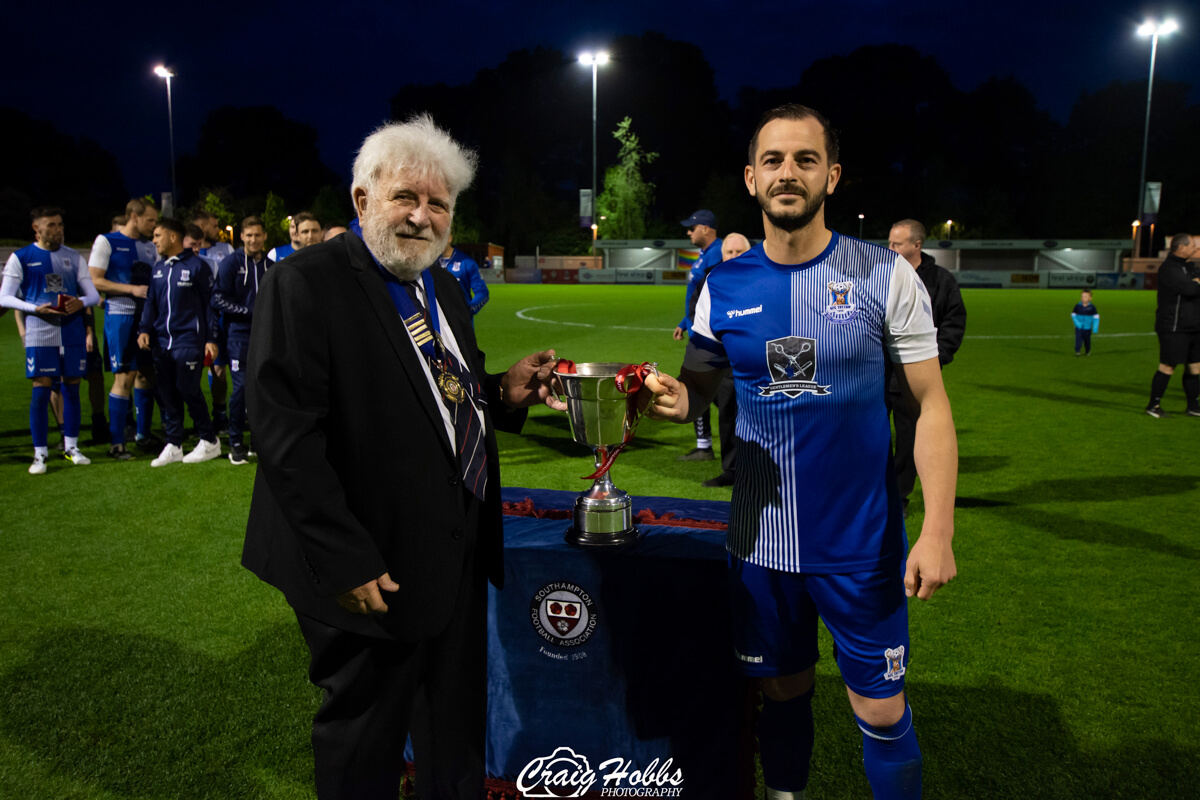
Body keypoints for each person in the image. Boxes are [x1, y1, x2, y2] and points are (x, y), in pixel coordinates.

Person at [243, 114, 565, 800]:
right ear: (363, 200)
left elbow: (444, 392)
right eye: (406, 198)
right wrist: (344, 557)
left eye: (439, 204)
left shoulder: (441, 286)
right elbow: (285, 435)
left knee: (452, 728)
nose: (423, 217)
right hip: (368, 564)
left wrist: (502, 393)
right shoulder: (306, 282)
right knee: (366, 739)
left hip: (451, 552)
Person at [642, 104, 957, 800]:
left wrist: (937, 531)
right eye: (775, 161)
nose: (790, 173)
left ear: (832, 176)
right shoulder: (721, 285)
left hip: (863, 542)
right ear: (752, 180)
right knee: (782, 693)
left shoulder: (883, 274)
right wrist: (671, 398)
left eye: (806, 160)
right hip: (760, 541)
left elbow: (931, 407)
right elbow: (697, 389)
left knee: (879, 709)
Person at [1, 206, 102, 473]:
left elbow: (93, 295)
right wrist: (34, 308)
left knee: (71, 386)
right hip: (39, 330)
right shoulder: (21, 257)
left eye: (60, 224)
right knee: (42, 387)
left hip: (71, 330)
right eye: (51, 225)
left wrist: (79, 302)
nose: (58, 230)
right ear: (36, 228)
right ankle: (40, 454)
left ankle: (71, 447)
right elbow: (4, 297)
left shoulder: (73, 257)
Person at [886, 219, 966, 511]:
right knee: (871, 437)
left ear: (916, 245)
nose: (890, 248)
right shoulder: (883, 275)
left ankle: (899, 497)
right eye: (890, 242)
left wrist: (935, 359)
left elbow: (954, 323)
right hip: (877, 375)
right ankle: (871, 494)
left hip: (914, 377)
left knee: (908, 441)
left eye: (897, 244)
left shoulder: (941, 280)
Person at [137, 218, 222, 466]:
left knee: (187, 389)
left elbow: (210, 306)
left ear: (173, 237)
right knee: (166, 393)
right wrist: (144, 329)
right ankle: (174, 444)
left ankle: (209, 440)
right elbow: (151, 303)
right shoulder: (158, 268)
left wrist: (211, 339)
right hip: (162, 343)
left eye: (157, 235)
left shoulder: (198, 267)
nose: (154, 240)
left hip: (189, 340)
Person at [88, 197, 160, 459]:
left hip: (146, 320)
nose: (153, 226)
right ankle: (117, 443)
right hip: (120, 317)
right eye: (150, 220)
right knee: (124, 378)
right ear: (134, 216)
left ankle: (142, 435)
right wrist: (131, 289)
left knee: (146, 375)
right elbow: (94, 280)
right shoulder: (106, 242)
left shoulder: (150, 247)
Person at [212, 216, 273, 465]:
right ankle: (235, 441)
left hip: (265, 335)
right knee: (240, 390)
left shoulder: (270, 265)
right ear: (242, 237)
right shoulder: (231, 263)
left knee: (263, 390)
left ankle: (257, 442)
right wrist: (248, 312)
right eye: (249, 235)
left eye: (257, 235)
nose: (253, 240)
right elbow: (216, 298)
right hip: (238, 336)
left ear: (264, 236)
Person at [701, 232, 752, 488]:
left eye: (739, 252)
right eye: (729, 253)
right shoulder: (714, 280)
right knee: (728, 417)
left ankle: (762, 471)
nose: (733, 256)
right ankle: (731, 470)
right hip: (723, 362)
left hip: (757, 363)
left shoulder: (761, 277)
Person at [673, 209, 724, 462]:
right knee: (707, 390)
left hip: (709, 337)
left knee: (709, 390)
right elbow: (697, 297)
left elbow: (711, 295)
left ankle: (709, 447)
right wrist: (684, 322)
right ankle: (704, 445)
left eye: (692, 228)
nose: (689, 232)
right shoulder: (705, 254)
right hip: (697, 330)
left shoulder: (718, 253)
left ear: (706, 228)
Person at [1146, 233, 1200, 417]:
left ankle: (1193, 406)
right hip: (1173, 326)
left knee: (1195, 367)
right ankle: (1153, 406)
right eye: (1193, 244)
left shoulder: (1191, 267)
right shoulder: (1169, 268)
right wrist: (1195, 283)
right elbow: (1190, 289)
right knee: (1168, 366)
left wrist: (1195, 282)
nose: (1196, 247)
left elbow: (1194, 286)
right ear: (1181, 247)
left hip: (1193, 325)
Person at [193, 210, 233, 427]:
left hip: (217, 317)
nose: (217, 230)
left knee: (217, 367)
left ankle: (219, 412)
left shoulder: (225, 249)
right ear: (202, 225)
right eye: (214, 225)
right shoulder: (187, 253)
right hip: (190, 320)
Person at [438, 235, 489, 322]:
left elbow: (483, 292)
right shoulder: (429, 264)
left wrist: (467, 310)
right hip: (438, 324)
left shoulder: (467, 262)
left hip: (462, 324)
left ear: (449, 238)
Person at [1071, 290, 1099, 356]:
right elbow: (1073, 315)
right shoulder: (1078, 306)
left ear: (1090, 298)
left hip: (1087, 328)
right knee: (1078, 339)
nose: (1083, 298)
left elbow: (1096, 317)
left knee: (1087, 340)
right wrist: (1077, 323)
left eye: (1086, 297)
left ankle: (1087, 351)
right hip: (1079, 328)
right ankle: (1077, 351)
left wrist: (1095, 328)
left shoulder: (1092, 307)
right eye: (1082, 297)